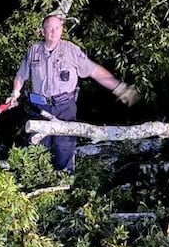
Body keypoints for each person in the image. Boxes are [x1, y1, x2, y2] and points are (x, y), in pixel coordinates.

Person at [7, 14, 139, 173]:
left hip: (64, 108)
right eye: (49, 28)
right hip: (39, 109)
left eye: (57, 28)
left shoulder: (71, 50)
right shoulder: (34, 51)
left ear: (62, 30)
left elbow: (94, 71)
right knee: (37, 152)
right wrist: (15, 93)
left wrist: (120, 88)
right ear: (42, 31)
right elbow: (21, 75)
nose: (53, 31)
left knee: (64, 150)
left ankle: (66, 183)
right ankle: (40, 186)